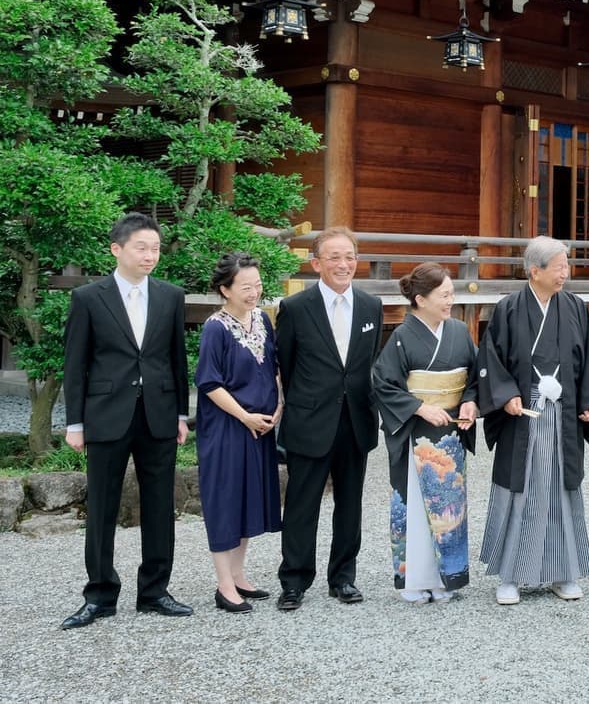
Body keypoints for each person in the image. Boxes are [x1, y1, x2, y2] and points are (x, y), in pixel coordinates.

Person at [60, 212, 193, 629]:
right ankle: (100, 595)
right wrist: (75, 423)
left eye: (155, 248)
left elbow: (176, 359)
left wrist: (180, 414)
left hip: (157, 413)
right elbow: (75, 365)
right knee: (101, 506)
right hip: (105, 415)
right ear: (117, 249)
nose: (150, 255)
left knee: (159, 506)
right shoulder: (88, 298)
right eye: (142, 247)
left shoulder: (171, 296)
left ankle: (154, 590)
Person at [478, 237, 589, 605]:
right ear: (536, 271)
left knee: (559, 491)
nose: (566, 273)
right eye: (559, 267)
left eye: (566, 266)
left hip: (563, 413)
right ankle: (511, 576)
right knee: (522, 490)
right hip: (524, 414)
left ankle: (562, 572)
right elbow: (491, 358)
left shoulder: (576, 308)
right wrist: (507, 396)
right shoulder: (508, 308)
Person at [275, 226, 383, 611]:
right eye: (334, 257)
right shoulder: (296, 308)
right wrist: (306, 401)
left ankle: (343, 577)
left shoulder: (371, 307)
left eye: (350, 257)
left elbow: (368, 362)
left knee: (350, 503)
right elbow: (286, 364)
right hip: (311, 417)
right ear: (316, 263)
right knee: (302, 503)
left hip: (356, 417)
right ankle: (294, 580)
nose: (344, 264)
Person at [370, 263, 479, 604]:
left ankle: (447, 578)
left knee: (449, 507)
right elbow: (383, 382)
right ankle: (415, 580)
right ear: (421, 299)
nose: (451, 300)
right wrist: (418, 407)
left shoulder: (460, 331)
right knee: (416, 508)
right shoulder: (403, 337)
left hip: (450, 435)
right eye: (444, 295)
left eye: (451, 294)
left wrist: (471, 403)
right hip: (415, 432)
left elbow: (476, 378)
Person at [195, 252, 283, 614]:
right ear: (225, 289)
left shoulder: (262, 319)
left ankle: (239, 574)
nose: (254, 292)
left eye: (258, 285)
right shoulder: (215, 327)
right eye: (245, 287)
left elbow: (274, 366)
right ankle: (224, 584)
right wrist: (245, 416)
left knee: (249, 499)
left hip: (260, 426)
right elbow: (209, 383)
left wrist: (278, 406)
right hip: (228, 428)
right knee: (225, 501)